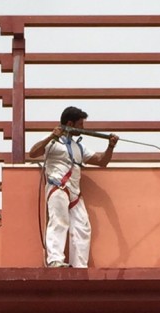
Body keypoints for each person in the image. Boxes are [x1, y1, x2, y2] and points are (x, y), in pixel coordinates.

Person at [29, 106, 118, 269]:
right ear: (70, 123)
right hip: (58, 187)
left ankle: (79, 266)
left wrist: (110, 146)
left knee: (83, 227)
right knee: (59, 221)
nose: (82, 128)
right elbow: (33, 153)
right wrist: (51, 136)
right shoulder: (54, 142)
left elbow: (101, 161)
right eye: (80, 124)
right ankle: (55, 260)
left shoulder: (79, 148)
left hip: (75, 193)